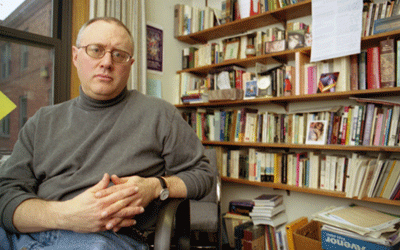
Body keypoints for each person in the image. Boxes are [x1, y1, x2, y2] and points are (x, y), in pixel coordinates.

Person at [0, 17, 214, 250]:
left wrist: (155, 186)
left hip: (106, 240)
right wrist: (67, 215)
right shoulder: (41, 121)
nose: (106, 62)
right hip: (27, 233)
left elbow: (203, 175)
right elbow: (5, 195)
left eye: (119, 55)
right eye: (96, 50)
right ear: (75, 56)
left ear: (130, 65)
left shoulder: (159, 114)